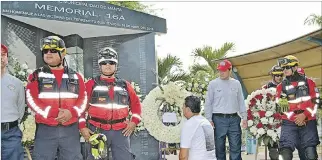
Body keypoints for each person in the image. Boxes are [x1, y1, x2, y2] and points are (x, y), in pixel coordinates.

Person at [25, 36, 87, 160]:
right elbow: (31, 100)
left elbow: (83, 99)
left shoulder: (76, 76)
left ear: (62, 53)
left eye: (53, 50)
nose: (48, 53)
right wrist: (53, 113)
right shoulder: (36, 76)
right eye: (45, 51)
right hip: (45, 130)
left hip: (70, 130)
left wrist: (72, 112)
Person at [79, 47, 141, 160]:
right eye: (104, 63)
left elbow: (136, 105)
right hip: (97, 130)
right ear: (99, 65)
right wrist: (82, 127)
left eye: (111, 62)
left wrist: (134, 122)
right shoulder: (90, 85)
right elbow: (80, 108)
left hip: (121, 132)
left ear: (116, 65)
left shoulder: (125, 85)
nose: (108, 65)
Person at [276, 55, 320, 160]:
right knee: (285, 153)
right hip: (289, 123)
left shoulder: (309, 82)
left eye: (287, 67)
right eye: (283, 68)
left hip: (308, 121)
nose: (284, 70)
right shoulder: (280, 87)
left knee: (310, 154)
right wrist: (296, 118)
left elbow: (316, 102)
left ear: (295, 67)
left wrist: (304, 115)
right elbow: (282, 109)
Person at [204, 59, 247, 160]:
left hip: (234, 119)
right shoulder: (213, 84)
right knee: (219, 149)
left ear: (230, 70)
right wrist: (209, 119)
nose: (221, 73)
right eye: (219, 70)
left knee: (236, 147)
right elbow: (208, 103)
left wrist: (244, 117)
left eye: (224, 70)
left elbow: (241, 101)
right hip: (218, 120)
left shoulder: (236, 83)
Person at [1, 44, 25, 160]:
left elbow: (21, 108)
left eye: (3, 55)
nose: (1, 58)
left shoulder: (16, 83)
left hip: (11, 134)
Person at [179, 96, 216, 160]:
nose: (182, 108)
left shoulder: (189, 124)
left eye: (183, 106)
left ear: (188, 109)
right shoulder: (206, 122)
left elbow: (183, 156)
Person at [260, 65, 284, 160]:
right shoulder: (266, 87)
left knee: (284, 148)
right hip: (271, 121)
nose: (279, 77)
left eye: (281, 75)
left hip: (284, 120)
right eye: (277, 75)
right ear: (273, 76)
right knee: (273, 150)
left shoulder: (286, 86)